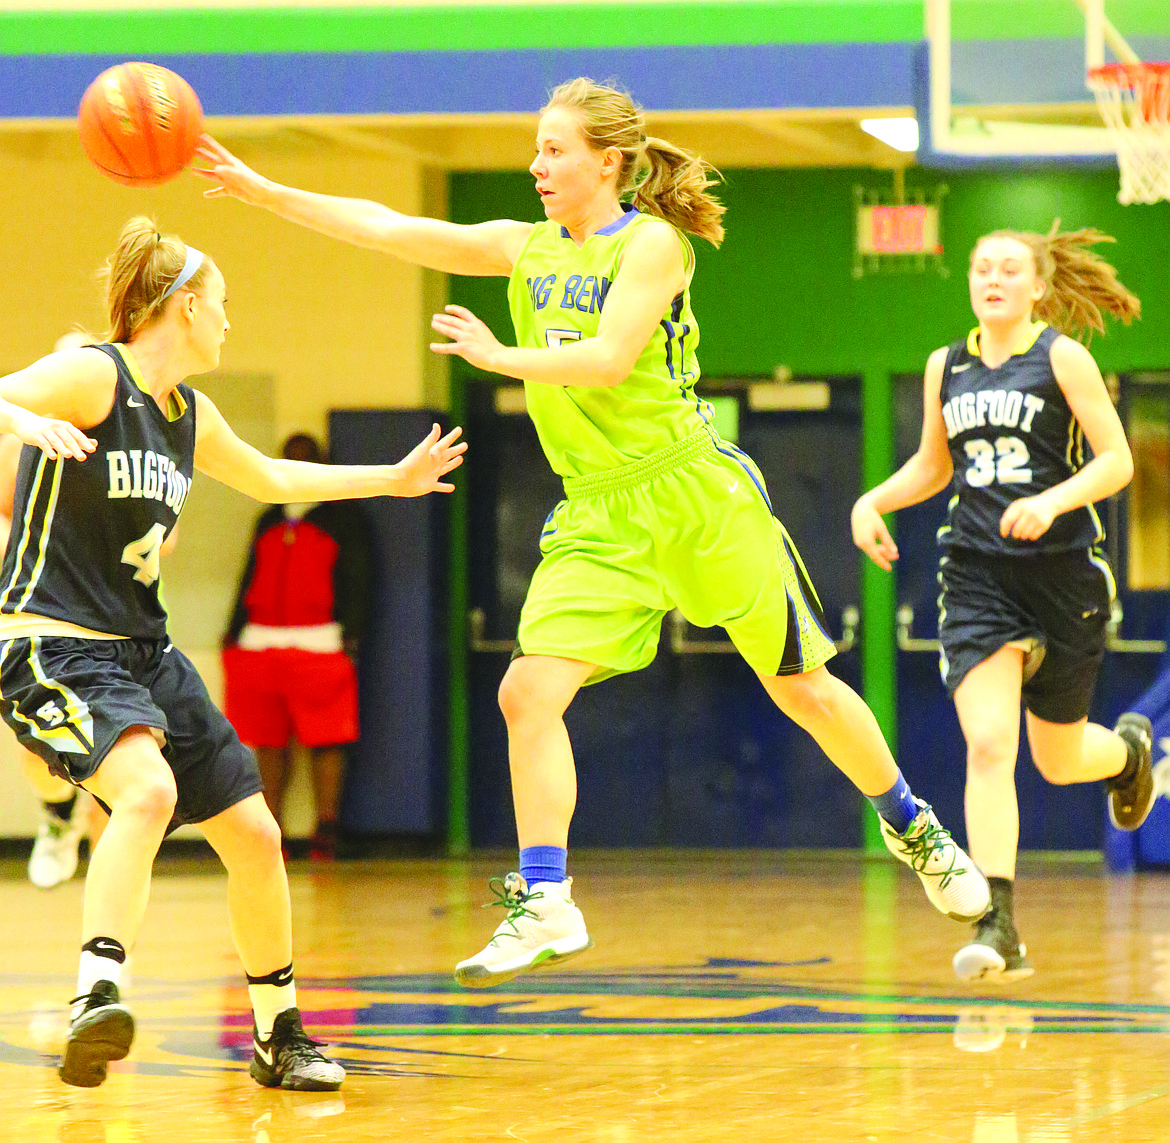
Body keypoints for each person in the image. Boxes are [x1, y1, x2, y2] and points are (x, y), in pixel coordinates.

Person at [196, 77, 990, 991]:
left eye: (554, 149)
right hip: (598, 508)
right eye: (534, 150)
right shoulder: (521, 249)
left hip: (693, 490)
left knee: (803, 689)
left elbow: (611, 358)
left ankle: (914, 826)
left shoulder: (651, 244)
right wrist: (265, 193)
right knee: (525, 693)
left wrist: (501, 357)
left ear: (606, 162)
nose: (536, 165)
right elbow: (386, 227)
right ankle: (546, 899)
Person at [0, 217, 465, 1087]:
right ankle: (96, 992)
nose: (227, 319)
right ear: (181, 306)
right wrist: (27, 420)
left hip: (142, 649)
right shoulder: (96, 372)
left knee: (254, 831)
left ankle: (277, 1033)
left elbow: (276, 479)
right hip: (52, 641)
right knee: (145, 791)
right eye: (220, 303)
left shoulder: (189, 414)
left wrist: (390, 479)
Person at [851, 222, 1154, 983]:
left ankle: (1128, 756)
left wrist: (1053, 501)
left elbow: (1116, 459)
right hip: (978, 573)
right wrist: (872, 501)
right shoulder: (944, 365)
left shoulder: (1062, 358)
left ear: (1037, 287)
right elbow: (932, 462)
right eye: (981, 266)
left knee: (1058, 760)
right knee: (989, 745)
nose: (992, 277)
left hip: (1061, 575)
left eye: (1009, 268)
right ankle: (1000, 923)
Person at [222, 431, 374, 860]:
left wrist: (352, 633)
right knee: (267, 742)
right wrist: (233, 630)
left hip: (320, 643)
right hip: (260, 643)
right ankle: (272, 831)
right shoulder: (268, 518)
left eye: (306, 458)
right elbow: (248, 577)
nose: (298, 464)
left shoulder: (343, 518)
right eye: (291, 458)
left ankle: (328, 827)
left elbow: (361, 580)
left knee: (326, 741)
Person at [4, 334, 109, 888]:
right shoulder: (19, 438)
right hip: (32, 608)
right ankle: (58, 813)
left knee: (130, 784)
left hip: (112, 618)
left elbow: (163, 541)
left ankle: (110, 952)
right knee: (37, 754)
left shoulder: (125, 438)